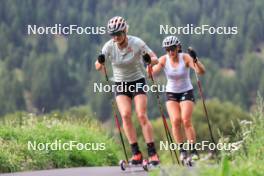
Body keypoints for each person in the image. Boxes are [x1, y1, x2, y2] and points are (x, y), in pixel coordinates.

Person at [95, 16, 159, 165]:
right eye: (113, 34)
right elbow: (98, 66)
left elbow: (155, 58)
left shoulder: (137, 43)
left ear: (125, 31)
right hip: (121, 84)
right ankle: (136, 154)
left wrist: (148, 60)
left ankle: (152, 153)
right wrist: (100, 62)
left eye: (118, 33)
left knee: (142, 115)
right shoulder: (109, 46)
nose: (116, 37)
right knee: (125, 115)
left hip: (137, 81)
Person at [150, 36, 205, 161]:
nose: (170, 52)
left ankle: (193, 150)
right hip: (171, 92)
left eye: (172, 48)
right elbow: (151, 72)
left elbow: (201, 71)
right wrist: (148, 64)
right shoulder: (164, 59)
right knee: (175, 121)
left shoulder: (185, 57)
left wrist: (196, 60)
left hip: (186, 91)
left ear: (178, 47)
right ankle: (182, 150)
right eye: (167, 49)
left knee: (186, 120)